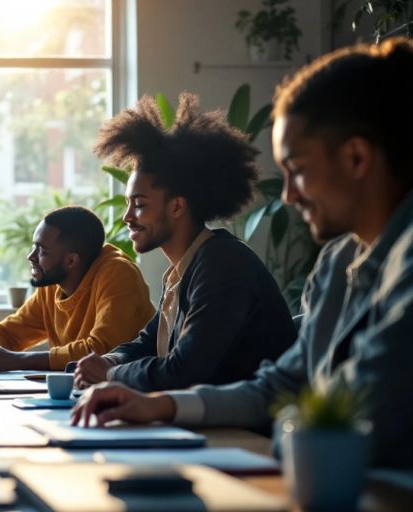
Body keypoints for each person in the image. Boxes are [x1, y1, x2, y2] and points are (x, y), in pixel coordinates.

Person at [71, 39, 413, 470]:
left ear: (357, 157)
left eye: (298, 170)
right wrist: (163, 407)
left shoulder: (223, 261)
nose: (287, 196)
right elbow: (281, 387)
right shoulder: (337, 261)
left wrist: (124, 378)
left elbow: (361, 420)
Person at [71, 92, 297, 392]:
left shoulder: (222, 264)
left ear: (177, 207)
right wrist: (109, 361)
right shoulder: (187, 267)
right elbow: (149, 342)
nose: (127, 216)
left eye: (139, 204)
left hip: (248, 433)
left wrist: (109, 375)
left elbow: (183, 370)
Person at [0, 206, 154, 372]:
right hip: (81, 391)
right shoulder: (52, 284)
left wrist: (17, 360)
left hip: (128, 394)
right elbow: (6, 333)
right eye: (33, 247)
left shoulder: (118, 274)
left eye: (42, 251)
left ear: (71, 260)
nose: (31, 257)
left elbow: (101, 351)